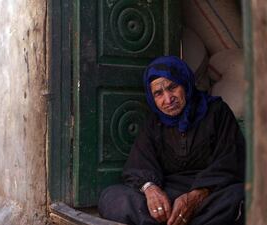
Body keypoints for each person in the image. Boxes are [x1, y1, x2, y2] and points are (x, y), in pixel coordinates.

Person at [98, 56, 245, 225]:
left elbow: (230, 160)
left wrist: (196, 196)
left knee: (240, 197)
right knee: (113, 196)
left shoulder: (216, 112)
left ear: (186, 83)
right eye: (158, 93)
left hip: (209, 194)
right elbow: (138, 164)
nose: (168, 99)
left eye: (172, 87)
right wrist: (151, 189)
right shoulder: (154, 122)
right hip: (168, 196)